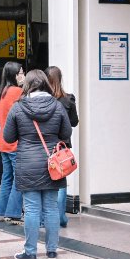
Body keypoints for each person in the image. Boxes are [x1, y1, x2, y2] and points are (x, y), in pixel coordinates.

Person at [3, 70, 72, 259]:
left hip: (27, 163)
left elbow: (8, 137)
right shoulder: (57, 106)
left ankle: (30, 252)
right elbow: (66, 133)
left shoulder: (18, 108)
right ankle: (52, 250)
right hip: (53, 164)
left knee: (32, 209)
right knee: (51, 207)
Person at [45, 66, 79, 228]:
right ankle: (60, 217)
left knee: (45, 181)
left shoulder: (43, 100)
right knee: (61, 180)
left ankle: (46, 217)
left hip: (45, 145)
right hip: (62, 147)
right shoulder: (68, 100)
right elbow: (74, 122)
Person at [0, 62, 25, 226]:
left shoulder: (2, 92)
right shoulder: (18, 92)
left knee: (7, 177)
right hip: (15, 143)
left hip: (2, 142)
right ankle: (13, 213)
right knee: (18, 178)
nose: (23, 75)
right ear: (14, 75)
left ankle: (3, 210)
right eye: (21, 72)